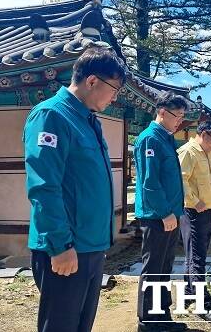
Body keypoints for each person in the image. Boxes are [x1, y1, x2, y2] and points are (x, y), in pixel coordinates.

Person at [24, 46, 126, 332]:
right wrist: (60, 245)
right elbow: (44, 187)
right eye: (114, 88)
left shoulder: (88, 121)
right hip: (66, 248)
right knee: (61, 326)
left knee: (81, 326)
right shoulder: (51, 117)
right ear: (92, 81)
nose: (115, 97)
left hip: (90, 247)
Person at [134, 91, 189, 332]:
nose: (180, 121)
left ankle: (162, 316)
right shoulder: (150, 139)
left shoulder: (166, 138)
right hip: (157, 216)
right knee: (153, 267)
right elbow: (150, 182)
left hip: (170, 215)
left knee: (165, 267)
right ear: (162, 112)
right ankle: (148, 320)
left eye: (183, 117)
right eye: (177, 116)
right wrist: (166, 212)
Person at [178, 120, 211, 321]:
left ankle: (189, 291)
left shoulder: (202, 152)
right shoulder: (188, 151)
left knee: (196, 255)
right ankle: (203, 304)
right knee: (197, 258)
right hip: (193, 211)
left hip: (205, 210)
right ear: (204, 134)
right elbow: (180, 179)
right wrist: (195, 201)